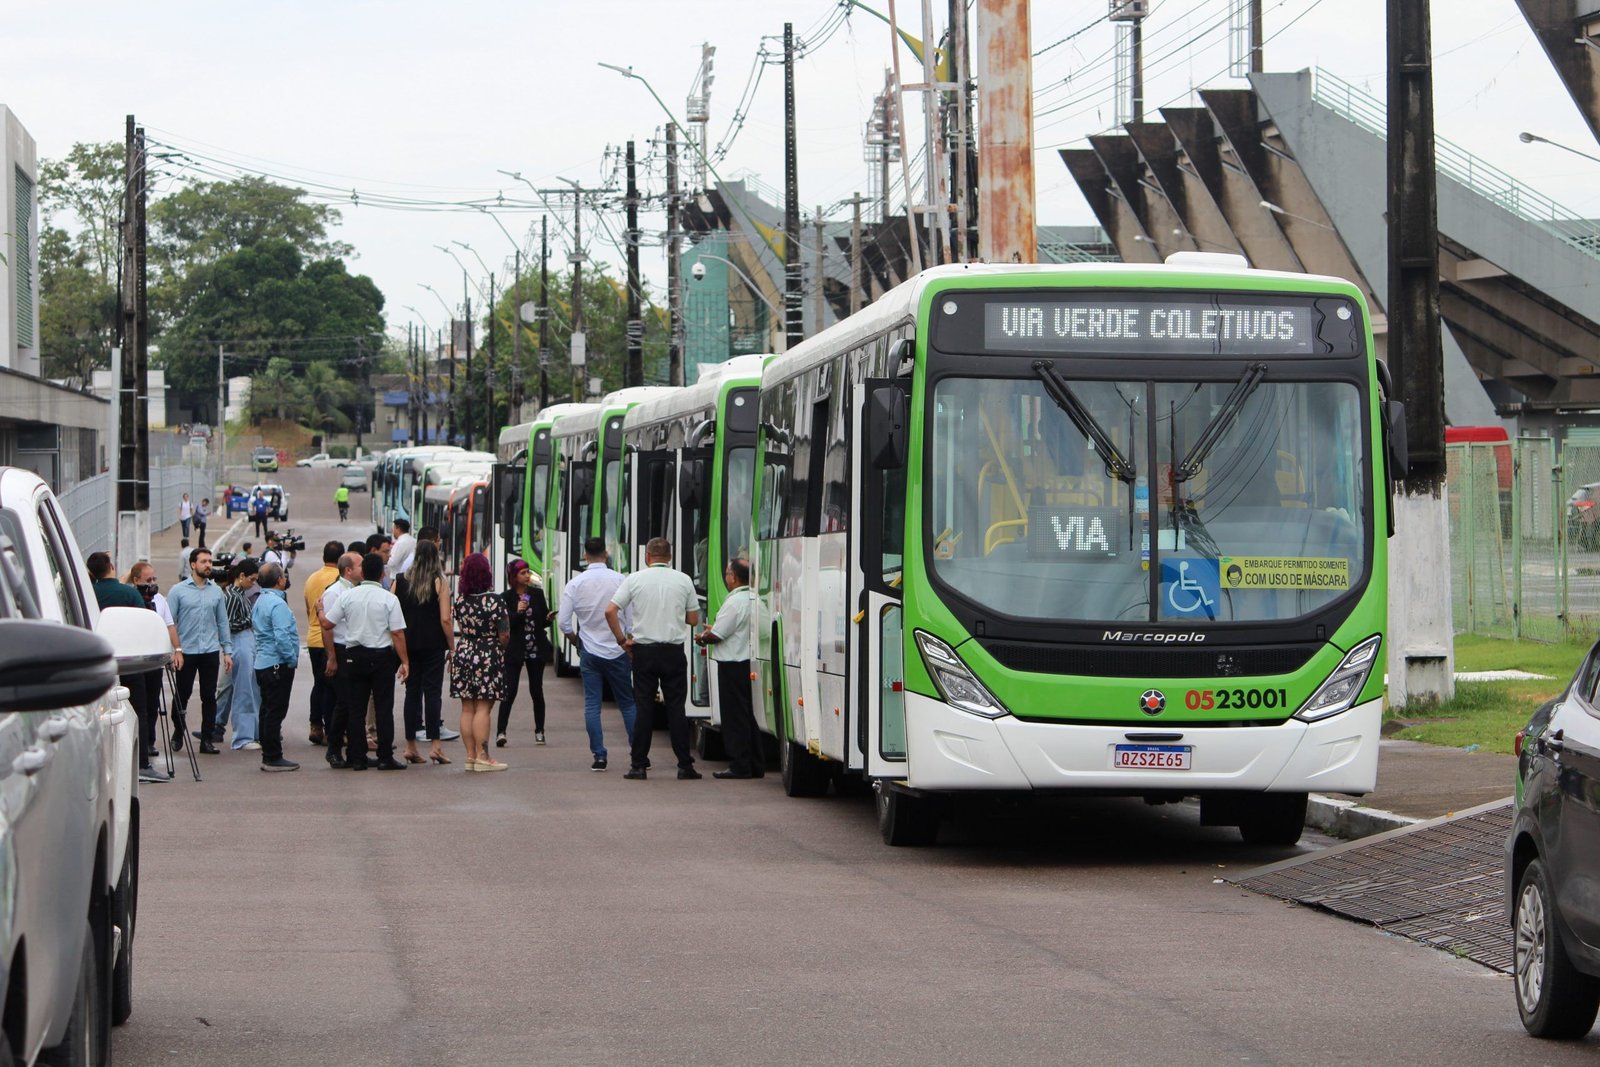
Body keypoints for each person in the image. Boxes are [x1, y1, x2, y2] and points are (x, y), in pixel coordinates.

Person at [607, 537, 701, 781]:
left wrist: (621, 640)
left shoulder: (635, 579)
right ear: (669, 557)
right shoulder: (683, 580)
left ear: (647, 557)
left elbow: (610, 610)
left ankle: (638, 765)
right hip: (673, 651)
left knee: (644, 708)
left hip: (644, 651)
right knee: (676, 708)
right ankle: (684, 765)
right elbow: (693, 620)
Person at [323, 553, 409, 771]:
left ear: (363, 572)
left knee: (356, 708)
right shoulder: (389, 598)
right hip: (381, 657)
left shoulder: (349, 596)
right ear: (381, 574)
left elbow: (328, 624)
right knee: (383, 708)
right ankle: (385, 756)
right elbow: (397, 632)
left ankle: (357, 756)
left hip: (354, 656)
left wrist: (320, 610)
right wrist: (405, 661)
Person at [88, 553, 169, 784]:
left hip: (96, 661)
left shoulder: (88, 592)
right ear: (111, 567)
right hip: (130, 660)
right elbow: (143, 622)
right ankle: (142, 763)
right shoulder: (129, 593)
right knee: (138, 711)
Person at [558, 537, 637, 772]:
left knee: (592, 705)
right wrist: (628, 640)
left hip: (590, 652)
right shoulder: (620, 580)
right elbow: (631, 618)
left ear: (585, 555)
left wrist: (576, 641)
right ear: (606, 553)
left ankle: (599, 756)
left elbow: (563, 623)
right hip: (618, 649)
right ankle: (638, 752)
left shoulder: (575, 584)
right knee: (628, 704)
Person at [697, 559, 762, 779]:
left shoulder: (734, 602)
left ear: (734, 577)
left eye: (727, 573)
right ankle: (754, 764)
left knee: (734, 717)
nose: (726, 577)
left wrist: (703, 636)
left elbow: (717, 634)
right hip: (749, 662)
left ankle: (739, 765)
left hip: (732, 664)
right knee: (748, 716)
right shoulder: (755, 599)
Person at [167, 546, 234, 754]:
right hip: (186, 652)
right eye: (204, 562)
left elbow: (223, 622)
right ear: (193, 565)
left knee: (209, 696)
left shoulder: (216, 591)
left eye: (210, 562)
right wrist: (174, 650)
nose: (208, 565)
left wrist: (227, 651)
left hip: (209, 651)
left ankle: (207, 739)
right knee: (182, 694)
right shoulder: (178, 591)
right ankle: (178, 730)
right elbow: (170, 622)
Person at [395, 540, 453, 765]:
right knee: (432, 693)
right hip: (433, 645)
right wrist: (452, 647)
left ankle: (410, 745)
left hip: (408, 645)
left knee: (412, 693)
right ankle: (436, 746)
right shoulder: (439, 582)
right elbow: (446, 619)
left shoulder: (400, 582)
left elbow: (393, 611)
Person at [450, 552, 509, 772]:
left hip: (464, 651)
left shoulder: (460, 600)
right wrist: (499, 650)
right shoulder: (495, 600)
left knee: (467, 707)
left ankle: (470, 756)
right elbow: (504, 634)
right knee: (484, 707)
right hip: (488, 652)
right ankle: (484, 756)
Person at [126, 562, 178, 780]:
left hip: (155, 658)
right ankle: (141, 745)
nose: (152, 584)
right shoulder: (131, 599)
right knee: (140, 704)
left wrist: (176, 650)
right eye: (148, 580)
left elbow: (169, 625)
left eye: (154, 579)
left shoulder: (160, 600)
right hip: (137, 660)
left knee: (153, 702)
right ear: (136, 580)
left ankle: (150, 741)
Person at [252, 562, 300, 772]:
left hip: (263, 661)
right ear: (279, 580)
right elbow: (282, 636)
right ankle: (273, 756)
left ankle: (268, 754)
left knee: (267, 709)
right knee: (275, 711)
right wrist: (291, 658)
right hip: (276, 664)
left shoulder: (260, 600)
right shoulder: (277, 604)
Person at [497, 558, 551, 748]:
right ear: (514, 576)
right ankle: (501, 731)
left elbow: (542, 620)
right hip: (515, 649)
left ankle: (539, 731)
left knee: (537, 691)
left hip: (536, 648)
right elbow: (504, 623)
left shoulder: (537, 594)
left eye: (528, 572)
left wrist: (548, 618)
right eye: (523, 573)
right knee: (509, 690)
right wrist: (518, 612)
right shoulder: (506, 597)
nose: (527, 575)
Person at [317, 552, 363, 768]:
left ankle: (356, 751)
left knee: (355, 704)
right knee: (343, 703)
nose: (363, 568)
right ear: (348, 570)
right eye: (360, 565)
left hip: (354, 650)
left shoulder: (355, 589)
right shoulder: (334, 592)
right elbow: (327, 627)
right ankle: (334, 749)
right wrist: (332, 658)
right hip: (341, 650)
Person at [211, 559, 261, 750]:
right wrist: (249, 622)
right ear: (241, 576)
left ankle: (251, 732)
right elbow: (227, 625)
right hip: (239, 641)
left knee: (250, 688)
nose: (253, 583)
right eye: (251, 579)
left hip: (246, 642)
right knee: (243, 691)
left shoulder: (240, 594)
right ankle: (242, 737)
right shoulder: (232, 596)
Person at [303, 540, 344, 746]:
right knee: (331, 688)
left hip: (313, 638)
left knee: (318, 684)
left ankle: (315, 725)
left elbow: (308, 606)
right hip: (330, 638)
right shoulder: (339, 581)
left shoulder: (312, 578)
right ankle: (330, 729)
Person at [387, 518, 416, 583]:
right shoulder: (414, 541)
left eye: (393, 529)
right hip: (411, 577)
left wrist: (386, 558)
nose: (392, 531)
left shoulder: (400, 543)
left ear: (398, 529)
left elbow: (393, 562)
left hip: (398, 579)